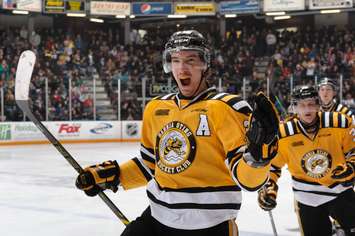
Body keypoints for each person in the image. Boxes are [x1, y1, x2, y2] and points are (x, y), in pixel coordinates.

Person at [75, 30, 279, 236]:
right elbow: (150, 165)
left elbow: (250, 182)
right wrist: (112, 175)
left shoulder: (229, 107)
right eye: (175, 60)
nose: (182, 68)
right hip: (157, 220)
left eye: (190, 60)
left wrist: (257, 158)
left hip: (210, 226)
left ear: (204, 64)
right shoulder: (156, 108)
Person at [258, 85, 355, 236]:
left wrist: (351, 167)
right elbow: (273, 167)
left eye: (311, 104)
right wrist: (269, 189)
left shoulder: (339, 122)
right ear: (294, 108)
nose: (307, 109)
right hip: (307, 198)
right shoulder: (284, 134)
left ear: (318, 105)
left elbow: (352, 151)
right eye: (302, 105)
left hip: (340, 191)